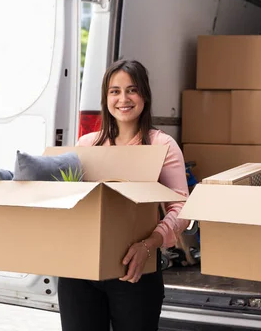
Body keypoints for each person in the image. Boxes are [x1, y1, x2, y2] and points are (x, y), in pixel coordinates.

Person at [57, 59, 190, 331]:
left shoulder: (161, 144)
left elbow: (181, 208)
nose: (123, 99)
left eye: (132, 90)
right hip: (79, 270)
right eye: (114, 91)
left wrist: (148, 245)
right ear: (106, 97)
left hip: (135, 271)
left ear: (144, 95)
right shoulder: (87, 144)